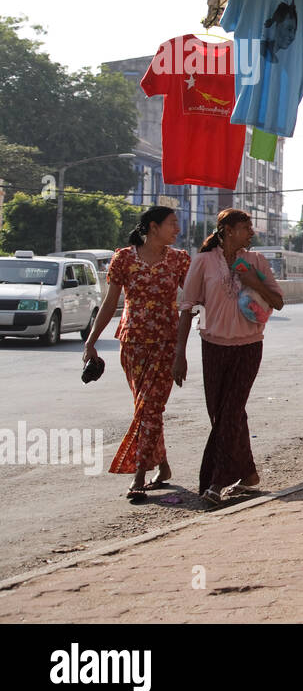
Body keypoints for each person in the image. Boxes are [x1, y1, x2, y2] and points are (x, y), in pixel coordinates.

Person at [174, 208, 284, 507]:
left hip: (249, 346)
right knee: (223, 414)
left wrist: (253, 281)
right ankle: (248, 475)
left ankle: (215, 481)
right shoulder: (203, 262)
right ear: (228, 230)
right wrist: (179, 354)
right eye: (246, 227)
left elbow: (279, 301)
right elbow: (187, 308)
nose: (251, 233)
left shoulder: (256, 261)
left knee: (231, 412)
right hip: (212, 345)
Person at [82, 206, 191, 503]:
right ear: (153, 227)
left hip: (167, 344)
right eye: (173, 224)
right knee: (146, 408)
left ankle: (139, 474)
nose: (177, 229)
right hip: (132, 344)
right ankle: (164, 467)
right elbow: (109, 304)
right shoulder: (124, 258)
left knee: (150, 408)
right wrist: (91, 341)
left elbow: (193, 298)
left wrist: (182, 350)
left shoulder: (180, 260)